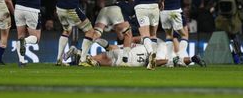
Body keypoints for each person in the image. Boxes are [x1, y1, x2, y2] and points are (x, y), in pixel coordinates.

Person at [4, 0, 61, 66]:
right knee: (35, 38)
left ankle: (21, 61)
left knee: (20, 34)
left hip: (19, 8)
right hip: (32, 9)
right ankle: (24, 42)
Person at [55, 0, 110, 67]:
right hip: (70, 8)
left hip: (59, 7)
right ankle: (83, 60)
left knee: (67, 30)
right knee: (90, 31)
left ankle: (59, 59)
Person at [124, 0, 168, 70]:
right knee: (153, 35)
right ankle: (152, 61)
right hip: (154, 6)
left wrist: (137, 0)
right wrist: (161, 1)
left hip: (140, 7)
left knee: (145, 35)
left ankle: (151, 54)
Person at [63, 39, 206, 68]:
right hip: (130, 60)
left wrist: (97, 39)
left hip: (123, 56)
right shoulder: (154, 46)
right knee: (169, 62)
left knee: (94, 60)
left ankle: (78, 54)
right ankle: (189, 59)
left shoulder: (132, 44)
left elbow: (111, 47)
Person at [93, 1, 134, 65]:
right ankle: (125, 60)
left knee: (95, 34)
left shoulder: (128, 4)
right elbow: (121, 36)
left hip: (104, 9)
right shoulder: (136, 9)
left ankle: (81, 55)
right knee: (128, 34)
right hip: (115, 10)